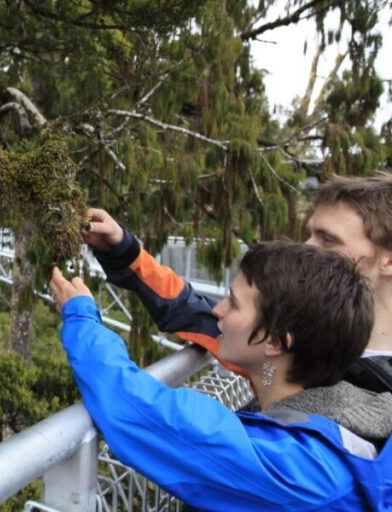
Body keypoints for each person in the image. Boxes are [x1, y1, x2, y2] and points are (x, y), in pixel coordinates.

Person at [50, 242, 392, 511]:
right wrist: (124, 250)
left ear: (274, 341)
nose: (217, 309)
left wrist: (80, 315)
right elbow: (205, 323)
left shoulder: (295, 470)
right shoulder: (345, 405)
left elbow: (139, 411)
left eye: (233, 302)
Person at [83, 173, 392, 389]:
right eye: (310, 233)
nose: (305, 248)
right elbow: (192, 314)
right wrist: (123, 249)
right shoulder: (280, 350)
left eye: (328, 240)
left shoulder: (372, 390)